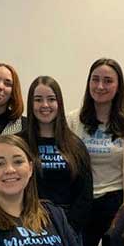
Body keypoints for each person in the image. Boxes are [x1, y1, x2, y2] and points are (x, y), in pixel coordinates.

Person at [67, 58, 124, 246]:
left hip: (116, 203)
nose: (100, 86)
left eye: (108, 81)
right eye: (95, 79)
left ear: (118, 86)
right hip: (82, 201)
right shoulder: (73, 120)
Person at [20, 76, 92, 234]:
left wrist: (69, 229)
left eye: (51, 99)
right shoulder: (19, 143)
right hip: (27, 226)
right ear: (31, 104)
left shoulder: (75, 145)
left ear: (59, 103)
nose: (45, 105)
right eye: (38, 99)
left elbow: (85, 194)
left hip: (68, 229)